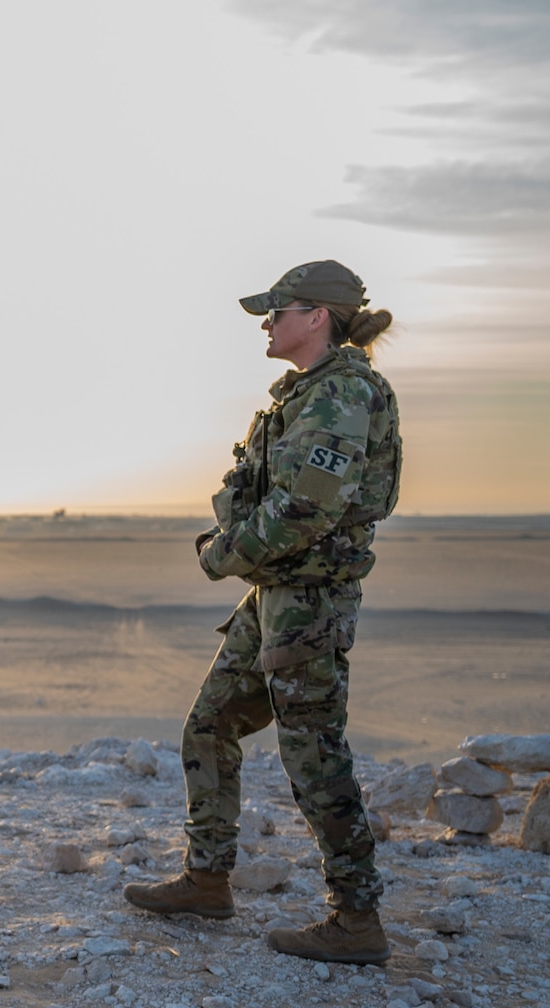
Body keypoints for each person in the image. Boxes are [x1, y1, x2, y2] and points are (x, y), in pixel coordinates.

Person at [124, 260, 398, 963]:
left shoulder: (341, 394)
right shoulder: (301, 394)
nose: (266, 324)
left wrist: (223, 552)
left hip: (309, 599)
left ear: (317, 317)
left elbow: (305, 507)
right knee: (210, 724)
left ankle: (356, 918)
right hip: (274, 594)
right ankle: (208, 879)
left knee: (314, 756)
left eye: (277, 312)